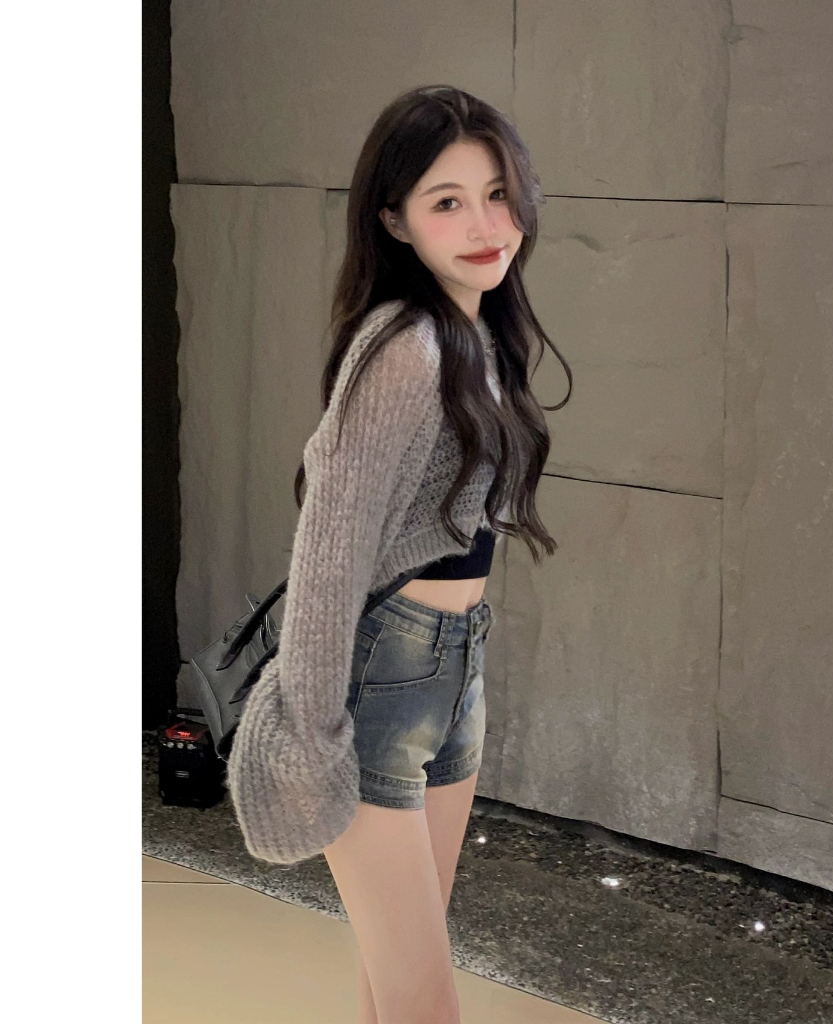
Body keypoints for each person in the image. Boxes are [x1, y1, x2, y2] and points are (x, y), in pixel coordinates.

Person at [231, 86, 573, 1024]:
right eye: (446, 202)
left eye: (497, 194)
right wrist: (311, 731)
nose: (485, 226)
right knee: (424, 1004)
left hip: (452, 671)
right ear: (395, 219)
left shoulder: (476, 335)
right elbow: (329, 552)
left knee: (395, 994)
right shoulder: (406, 351)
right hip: (379, 678)